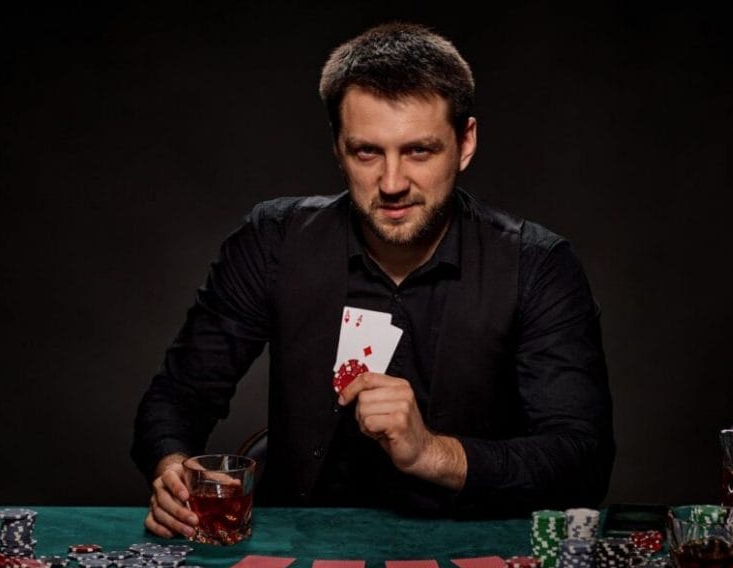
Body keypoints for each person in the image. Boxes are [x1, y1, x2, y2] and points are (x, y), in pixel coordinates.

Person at [132, 22, 614, 538]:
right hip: (300, 548)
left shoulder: (538, 265)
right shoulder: (273, 240)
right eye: (367, 152)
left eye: (419, 151)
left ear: (465, 142)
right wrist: (171, 469)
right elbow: (177, 397)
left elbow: (581, 462)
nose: (392, 183)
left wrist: (431, 452)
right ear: (338, 147)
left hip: (469, 553)